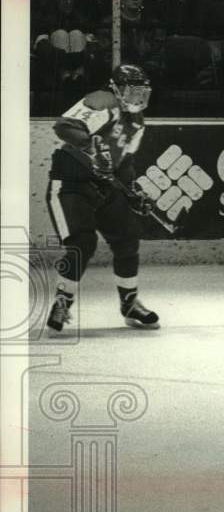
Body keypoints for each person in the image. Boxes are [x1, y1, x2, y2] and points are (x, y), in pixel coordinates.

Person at [45, 64, 159, 333]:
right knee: (83, 242)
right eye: (132, 91)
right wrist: (91, 147)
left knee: (128, 236)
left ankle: (129, 303)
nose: (138, 98)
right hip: (71, 183)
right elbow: (64, 126)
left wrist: (133, 193)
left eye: (143, 92)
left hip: (104, 186)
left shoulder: (137, 122)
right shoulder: (104, 101)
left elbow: (124, 163)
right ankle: (62, 302)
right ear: (117, 88)